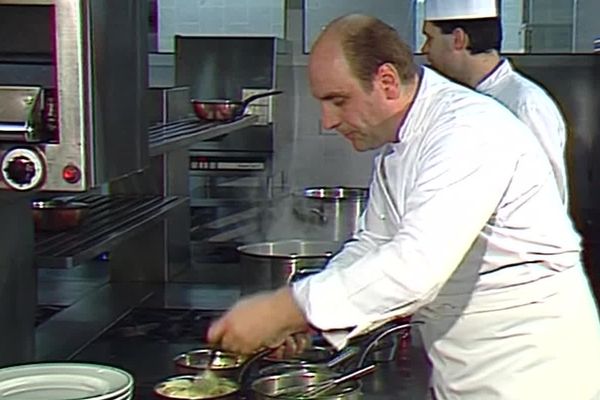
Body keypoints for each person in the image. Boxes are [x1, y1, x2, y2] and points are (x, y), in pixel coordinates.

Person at [208, 14, 600, 399]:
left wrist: (286, 308)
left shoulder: (468, 132)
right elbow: (373, 244)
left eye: (338, 101)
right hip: (464, 364)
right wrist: (306, 320)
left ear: (387, 82)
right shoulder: (400, 145)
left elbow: (415, 265)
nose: (328, 121)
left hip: (531, 369)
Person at [421, 0, 570, 207]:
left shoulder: (525, 103)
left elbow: (547, 198)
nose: (425, 49)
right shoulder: (453, 99)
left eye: (430, 38)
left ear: (458, 39)